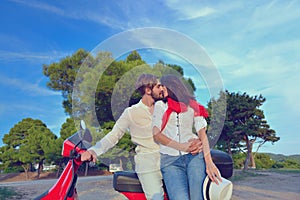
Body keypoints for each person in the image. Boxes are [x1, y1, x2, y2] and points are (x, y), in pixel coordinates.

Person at [81, 74, 203, 200]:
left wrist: (195, 142)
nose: (162, 89)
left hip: (170, 160)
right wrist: (93, 150)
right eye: (158, 86)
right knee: (157, 198)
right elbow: (113, 136)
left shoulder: (167, 107)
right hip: (148, 163)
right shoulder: (131, 113)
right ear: (148, 90)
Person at [152, 74, 222, 200]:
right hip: (170, 161)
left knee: (198, 197)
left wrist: (209, 162)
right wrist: (182, 147)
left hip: (194, 157)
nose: (161, 89)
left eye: (162, 86)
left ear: (172, 86)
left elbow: (202, 135)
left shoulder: (193, 106)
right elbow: (156, 134)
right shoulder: (160, 106)